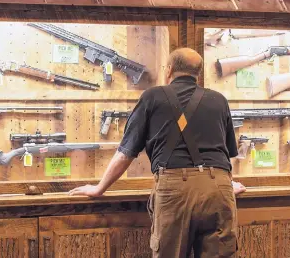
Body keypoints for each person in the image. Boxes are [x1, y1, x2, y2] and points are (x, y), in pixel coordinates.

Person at [69, 48, 246, 257]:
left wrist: (99, 188)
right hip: (219, 189)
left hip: (174, 190)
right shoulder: (219, 100)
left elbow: (125, 153)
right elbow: (226, 154)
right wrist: (223, 184)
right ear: (198, 73)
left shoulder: (152, 97)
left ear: (169, 70)